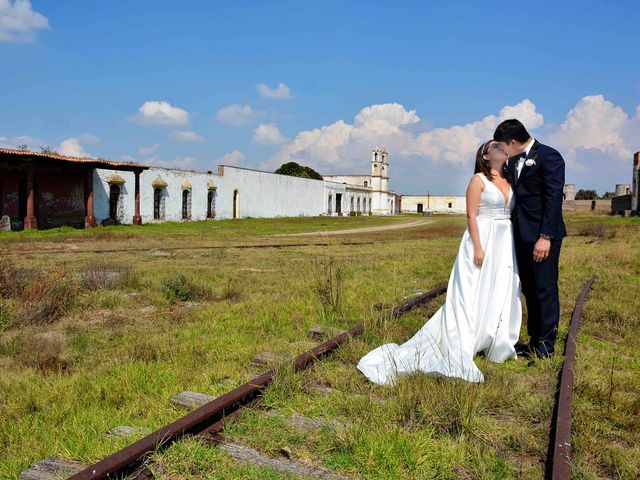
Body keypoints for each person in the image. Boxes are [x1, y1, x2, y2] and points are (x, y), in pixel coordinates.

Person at [357, 140, 522, 384]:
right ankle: (464, 339)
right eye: (495, 147)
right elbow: (471, 215)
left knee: (499, 288)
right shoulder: (478, 180)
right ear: (485, 157)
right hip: (483, 239)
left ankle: (494, 339)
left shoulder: (511, 179)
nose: (501, 148)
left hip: (504, 242)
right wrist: (477, 246)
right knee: (473, 290)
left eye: (502, 146)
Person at [493, 119, 566, 359]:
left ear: (513, 142)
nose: (503, 151)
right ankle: (535, 339)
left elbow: (553, 200)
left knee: (544, 288)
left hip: (543, 235)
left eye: (504, 146)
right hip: (520, 235)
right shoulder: (513, 160)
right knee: (530, 290)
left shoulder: (550, 157)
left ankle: (546, 346)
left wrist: (545, 236)